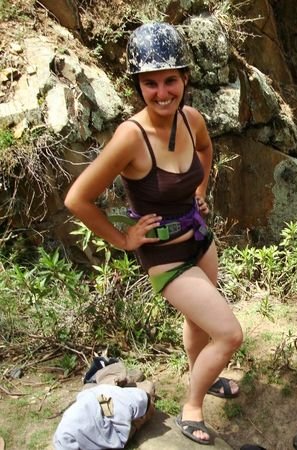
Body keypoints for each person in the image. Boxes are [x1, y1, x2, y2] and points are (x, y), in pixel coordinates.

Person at [64, 22, 243, 445]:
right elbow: (78, 199)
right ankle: (192, 406)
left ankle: (205, 371)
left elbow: (204, 151)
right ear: (138, 86)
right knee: (230, 333)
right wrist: (123, 239)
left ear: (184, 79)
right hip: (164, 258)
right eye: (150, 84)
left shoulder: (192, 119)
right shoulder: (131, 136)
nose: (162, 92)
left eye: (170, 81)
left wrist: (200, 191)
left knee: (199, 322)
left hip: (199, 239)